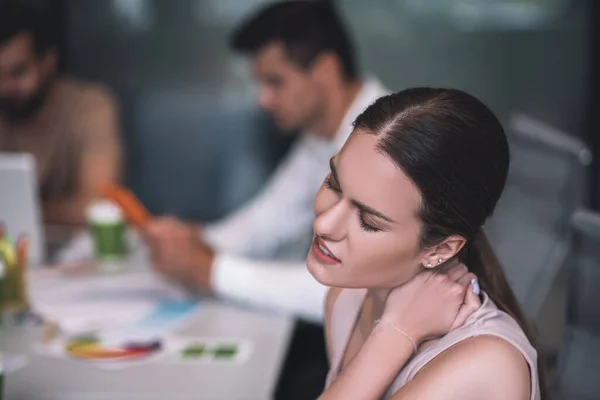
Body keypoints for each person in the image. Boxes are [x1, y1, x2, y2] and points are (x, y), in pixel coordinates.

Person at [144, 0, 389, 322]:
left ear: (326, 71)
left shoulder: (384, 144)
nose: (262, 100)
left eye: (275, 82)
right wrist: (192, 241)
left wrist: (211, 271)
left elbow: (350, 290)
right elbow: (268, 220)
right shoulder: (323, 135)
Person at [306, 88, 545, 399]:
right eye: (333, 184)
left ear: (441, 249)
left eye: (369, 221)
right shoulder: (346, 297)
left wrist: (394, 335)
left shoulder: (485, 363)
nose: (323, 224)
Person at [0, 2, 122, 226]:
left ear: (48, 62)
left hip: (73, 251)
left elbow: (99, 205)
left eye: (18, 72)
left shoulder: (90, 106)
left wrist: (21, 213)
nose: (5, 86)